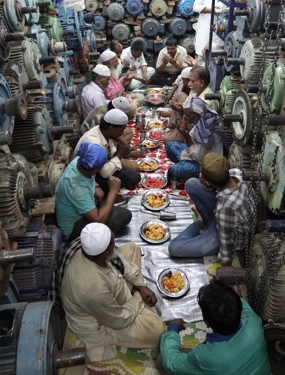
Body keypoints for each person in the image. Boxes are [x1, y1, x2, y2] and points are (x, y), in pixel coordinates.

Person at [59, 223, 165, 362]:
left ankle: (138, 303)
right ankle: (141, 311)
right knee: (158, 332)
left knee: (132, 248)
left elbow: (118, 259)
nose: (115, 245)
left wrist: (140, 286)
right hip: (104, 321)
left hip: (111, 290)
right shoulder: (93, 289)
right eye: (112, 242)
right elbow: (119, 320)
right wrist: (139, 297)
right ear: (105, 252)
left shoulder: (92, 252)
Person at [160, 281, 271, 374]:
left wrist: (172, 330)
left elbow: (170, 363)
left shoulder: (205, 356)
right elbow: (241, 304)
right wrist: (220, 292)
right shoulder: (253, 322)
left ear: (207, 322)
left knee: (160, 359)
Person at [168, 154, 256, 263]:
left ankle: (200, 222)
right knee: (192, 184)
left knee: (174, 247)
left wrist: (226, 267)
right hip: (227, 217)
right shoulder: (235, 172)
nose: (199, 175)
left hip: (229, 234)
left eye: (202, 174)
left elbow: (227, 245)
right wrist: (205, 182)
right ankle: (207, 224)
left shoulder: (225, 208)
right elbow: (213, 189)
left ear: (208, 182)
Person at [55, 142, 132, 241]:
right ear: (95, 170)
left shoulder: (79, 162)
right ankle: (97, 242)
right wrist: (113, 191)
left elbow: (89, 178)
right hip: (73, 227)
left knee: (116, 210)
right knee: (122, 216)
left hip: (80, 209)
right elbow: (99, 220)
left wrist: (96, 187)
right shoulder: (76, 187)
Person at [74, 109, 142, 193]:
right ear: (111, 127)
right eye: (120, 130)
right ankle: (106, 193)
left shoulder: (104, 132)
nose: (121, 134)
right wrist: (120, 154)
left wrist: (122, 150)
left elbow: (111, 152)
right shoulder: (95, 142)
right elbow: (104, 173)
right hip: (89, 174)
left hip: (100, 167)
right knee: (134, 177)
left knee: (134, 172)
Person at [166, 98, 225, 181]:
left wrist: (186, 135)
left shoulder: (207, 132)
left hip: (203, 165)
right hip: (195, 153)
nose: (186, 117)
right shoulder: (201, 121)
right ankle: (184, 169)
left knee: (172, 170)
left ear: (198, 114)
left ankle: (188, 173)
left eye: (188, 115)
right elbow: (193, 144)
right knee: (170, 145)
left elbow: (196, 157)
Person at [193, 0, 227, 66]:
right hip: (205, 29)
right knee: (202, 58)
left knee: (216, 59)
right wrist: (213, 10)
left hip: (220, 30)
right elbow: (196, 7)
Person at [162, 67, 193, 144]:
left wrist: (180, 109)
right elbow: (179, 78)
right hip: (185, 114)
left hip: (190, 123)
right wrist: (171, 94)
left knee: (167, 140)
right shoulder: (190, 84)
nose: (186, 83)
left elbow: (193, 115)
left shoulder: (196, 92)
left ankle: (175, 128)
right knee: (179, 95)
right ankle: (172, 125)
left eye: (185, 81)